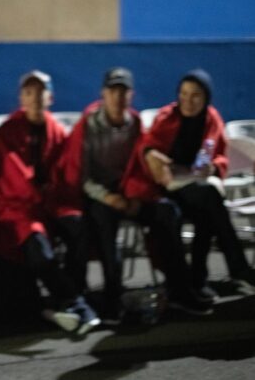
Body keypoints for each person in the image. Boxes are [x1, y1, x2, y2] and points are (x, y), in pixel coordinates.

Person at [60, 67, 212, 324]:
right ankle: (113, 296)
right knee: (104, 225)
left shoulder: (136, 124)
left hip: (131, 194)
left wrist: (134, 198)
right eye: (113, 91)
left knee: (167, 212)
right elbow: (82, 177)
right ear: (103, 94)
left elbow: (143, 166)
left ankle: (180, 289)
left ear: (131, 95)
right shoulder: (88, 126)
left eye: (123, 91)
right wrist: (109, 198)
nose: (118, 98)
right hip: (100, 196)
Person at [0, 70, 99, 334]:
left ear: (50, 97)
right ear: (22, 97)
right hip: (16, 206)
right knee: (36, 243)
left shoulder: (56, 131)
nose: (35, 98)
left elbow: (66, 172)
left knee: (78, 228)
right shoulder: (7, 131)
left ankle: (72, 294)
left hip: (50, 203)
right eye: (29, 92)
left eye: (41, 92)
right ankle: (75, 302)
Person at [138, 69, 255, 301]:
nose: (188, 101)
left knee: (208, 208)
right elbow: (146, 149)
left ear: (206, 98)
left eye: (195, 96)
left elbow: (221, 156)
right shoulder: (166, 117)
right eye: (183, 94)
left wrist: (213, 167)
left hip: (196, 186)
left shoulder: (212, 119)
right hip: (166, 186)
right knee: (211, 201)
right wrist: (154, 156)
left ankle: (198, 280)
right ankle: (237, 269)